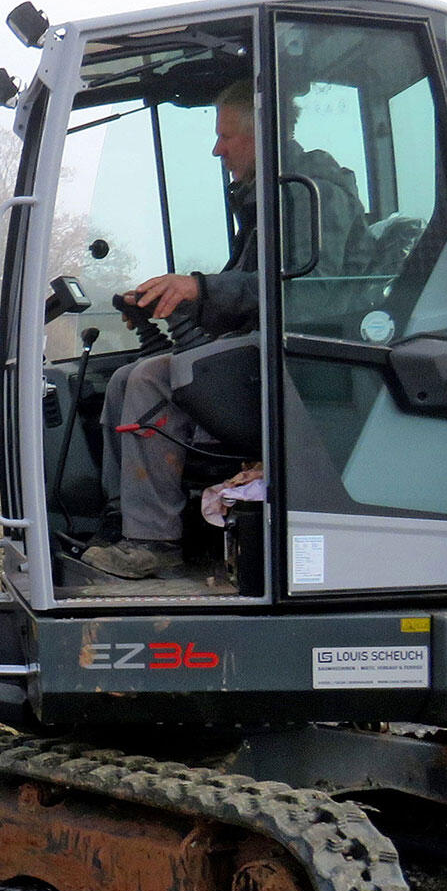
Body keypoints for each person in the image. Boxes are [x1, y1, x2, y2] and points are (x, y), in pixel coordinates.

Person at [80, 78, 365, 582]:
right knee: (128, 377)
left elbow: (314, 294)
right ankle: (120, 521)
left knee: (150, 382)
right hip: (262, 354)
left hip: (302, 367)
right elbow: (247, 292)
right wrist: (177, 303)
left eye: (226, 136)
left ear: (263, 135)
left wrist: (201, 290)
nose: (218, 149)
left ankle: (153, 543)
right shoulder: (267, 200)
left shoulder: (308, 194)